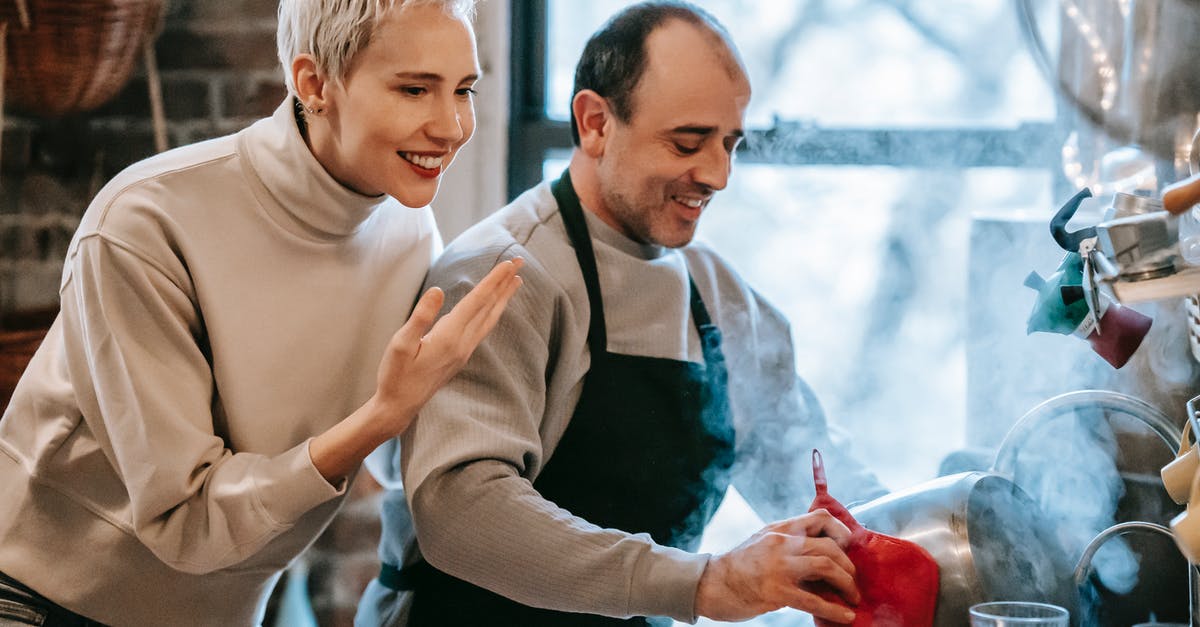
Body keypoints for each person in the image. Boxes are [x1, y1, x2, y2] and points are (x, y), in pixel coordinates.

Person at [357, 2, 886, 626]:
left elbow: (808, 468)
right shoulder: (503, 274)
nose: (717, 174)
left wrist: (934, 526)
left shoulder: (722, 299)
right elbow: (461, 513)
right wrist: (705, 583)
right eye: (687, 142)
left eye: (729, 143)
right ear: (595, 123)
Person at [0, 0, 522, 625]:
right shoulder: (143, 223)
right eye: (414, 89)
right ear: (314, 84)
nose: (451, 126)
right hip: (41, 605)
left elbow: (400, 462)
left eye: (462, 89)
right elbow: (185, 522)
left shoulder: (409, 229)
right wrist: (384, 414)